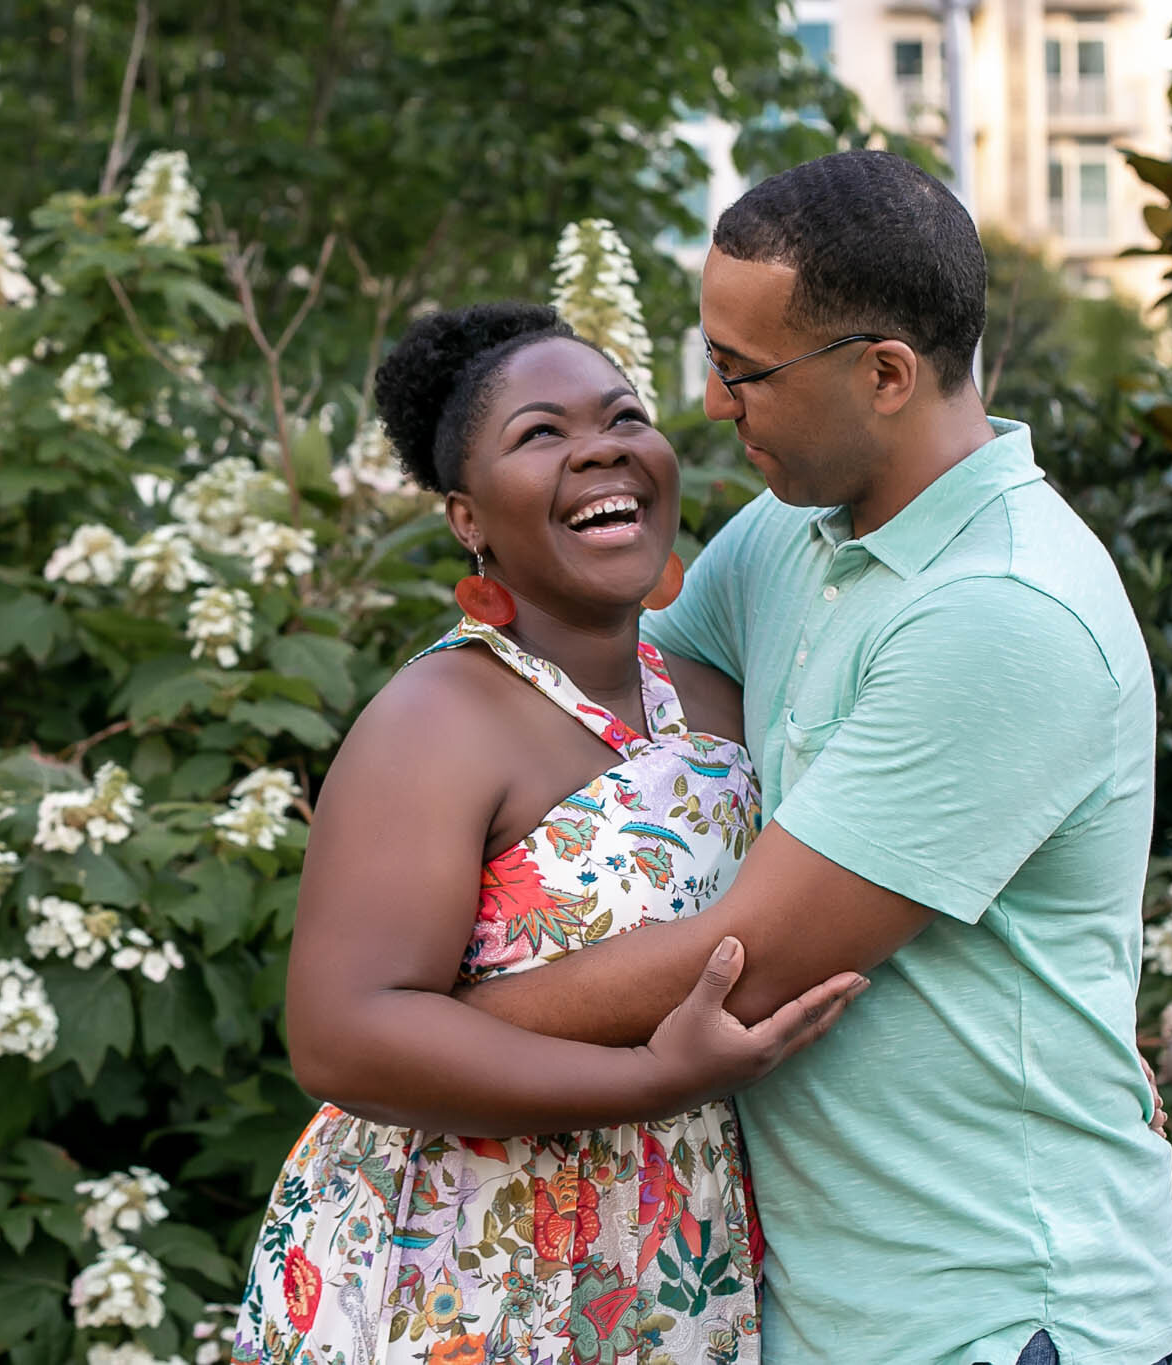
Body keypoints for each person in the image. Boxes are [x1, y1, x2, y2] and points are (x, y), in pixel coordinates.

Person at [459, 151, 1172, 1364]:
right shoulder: (791, 533)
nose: (710, 405)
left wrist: (427, 1033)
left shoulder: (1001, 615)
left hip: (991, 1313)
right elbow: (607, 705)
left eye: (742, 372)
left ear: (884, 374)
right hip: (826, 1308)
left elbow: (741, 967)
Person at [228, 302, 867, 1365]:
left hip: (660, 1257)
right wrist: (653, 1082)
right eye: (540, 434)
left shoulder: (708, 698)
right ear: (466, 518)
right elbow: (343, 1035)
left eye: (621, 415)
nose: (599, 447)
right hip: (450, 1267)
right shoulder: (438, 718)